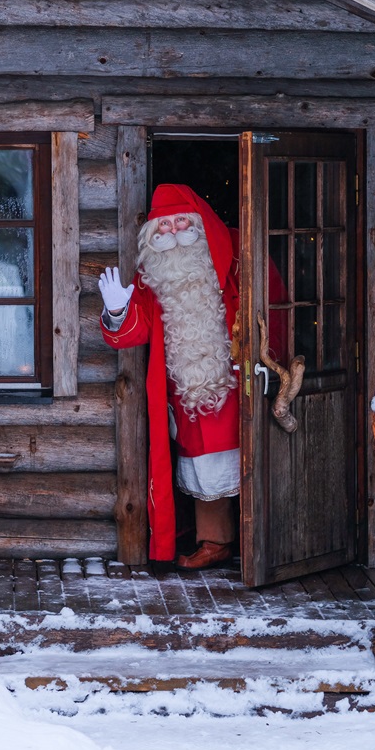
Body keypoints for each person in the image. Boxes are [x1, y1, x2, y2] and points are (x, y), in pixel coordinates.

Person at [97, 183, 260, 570]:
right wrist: (118, 311)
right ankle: (216, 541)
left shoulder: (241, 255)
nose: (174, 232)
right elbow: (133, 333)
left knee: (255, 457)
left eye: (181, 221)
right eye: (164, 227)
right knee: (202, 461)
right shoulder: (153, 277)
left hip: (241, 381)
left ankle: (265, 543)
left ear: (200, 223)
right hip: (188, 387)